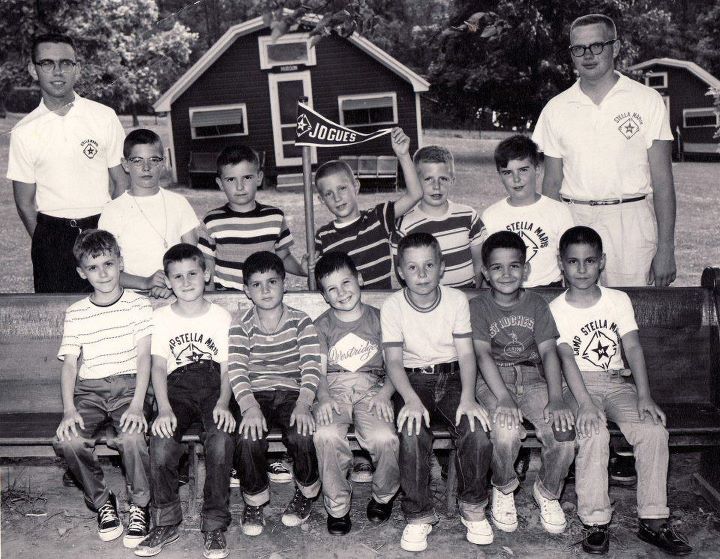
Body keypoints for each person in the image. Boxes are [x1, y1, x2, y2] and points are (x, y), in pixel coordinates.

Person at [549, 226, 692, 556]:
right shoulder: (556, 309)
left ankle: (653, 520)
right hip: (577, 385)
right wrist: (585, 404)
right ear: (561, 263)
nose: (581, 269)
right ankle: (595, 521)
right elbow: (566, 358)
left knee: (653, 430)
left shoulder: (617, 300)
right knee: (593, 432)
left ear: (602, 261)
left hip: (616, 384)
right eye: (573, 261)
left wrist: (644, 394)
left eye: (589, 261)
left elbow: (633, 347)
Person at [533, 13, 676, 289]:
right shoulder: (555, 108)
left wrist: (666, 248)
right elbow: (551, 184)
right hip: (574, 221)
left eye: (597, 45)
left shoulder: (647, 100)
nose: (587, 55)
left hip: (630, 223)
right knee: (577, 310)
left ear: (616, 47)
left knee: (633, 309)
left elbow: (663, 182)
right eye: (579, 48)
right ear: (571, 54)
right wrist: (549, 245)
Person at [381, 232, 493, 552]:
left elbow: (467, 353)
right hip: (413, 380)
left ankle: (473, 507)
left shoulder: (456, 300)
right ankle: (418, 514)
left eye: (429, 265)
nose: (422, 275)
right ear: (400, 271)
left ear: (442, 267)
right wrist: (410, 399)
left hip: (453, 377)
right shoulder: (393, 306)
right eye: (412, 267)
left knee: (476, 429)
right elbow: (393, 361)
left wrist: (468, 397)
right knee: (411, 431)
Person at [471, 231, 580, 535]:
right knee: (505, 432)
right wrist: (503, 397)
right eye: (497, 267)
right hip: (494, 380)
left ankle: (547, 492)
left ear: (526, 269)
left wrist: (556, 398)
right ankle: (504, 487)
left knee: (563, 434)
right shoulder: (478, 307)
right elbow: (482, 354)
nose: (506, 274)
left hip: (533, 379)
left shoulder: (536, 304)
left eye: (514, 266)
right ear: (485, 272)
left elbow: (548, 352)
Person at [134, 244, 235, 559]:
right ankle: (166, 521)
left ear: (207, 274)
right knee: (161, 442)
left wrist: (223, 403)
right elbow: (158, 366)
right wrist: (163, 408)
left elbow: (229, 367)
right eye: (177, 276)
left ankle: (214, 523)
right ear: (167, 280)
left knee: (220, 440)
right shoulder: (161, 317)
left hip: (213, 385)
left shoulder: (220, 316)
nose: (187, 281)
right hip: (175, 388)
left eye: (193, 273)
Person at [7, 33, 129, 293]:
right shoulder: (23, 130)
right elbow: (24, 202)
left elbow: (121, 182)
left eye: (65, 63)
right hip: (51, 236)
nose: (58, 71)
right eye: (47, 63)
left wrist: (109, 232)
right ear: (33, 70)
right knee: (54, 313)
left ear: (77, 69)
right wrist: (46, 240)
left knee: (108, 309)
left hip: (100, 227)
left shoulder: (103, 117)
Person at [53, 229, 151, 548]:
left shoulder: (139, 305)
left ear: (120, 262)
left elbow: (145, 357)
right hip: (90, 391)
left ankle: (140, 505)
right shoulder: (77, 313)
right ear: (82, 273)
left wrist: (138, 404)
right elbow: (70, 364)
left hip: (130, 387)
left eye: (108, 263)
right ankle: (102, 501)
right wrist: (69, 409)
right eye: (93, 267)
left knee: (132, 437)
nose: (103, 273)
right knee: (68, 440)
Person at [228, 251, 322, 537]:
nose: (265, 290)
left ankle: (306, 491)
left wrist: (304, 404)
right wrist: (249, 407)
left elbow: (311, 366)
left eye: (272, 282)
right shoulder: (241, 324)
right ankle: (255, 499)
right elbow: (237, 370)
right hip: (256, 394)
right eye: (256, 284)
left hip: (293, 393)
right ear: (246, 290)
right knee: (248, 436)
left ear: (285, 284)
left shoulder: (300, 321)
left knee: (301, 433)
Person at [312, 252, 400, 535]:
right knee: (326, 435)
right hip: (333, 387)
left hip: (372, 387)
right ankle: (337, 506)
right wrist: (323, 397)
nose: (341, 293)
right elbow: (317, 370)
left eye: (346, 283)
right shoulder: (322, 325)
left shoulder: (380, 319)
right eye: (332, 289)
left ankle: (383, 496)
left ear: (359, 279)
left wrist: (386, 393)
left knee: (384, 437)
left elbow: (395, 364)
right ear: (324, 296)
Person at [313, 127, 422, 289]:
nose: (337, 198)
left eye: (342, 188)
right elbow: (319, 284)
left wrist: (403, 154)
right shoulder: (323, 237)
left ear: (356, 186)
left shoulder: (379, 217)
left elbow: (415, 194)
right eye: (329, 194)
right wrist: (309, 270)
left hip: (381, 302)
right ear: (321, 200)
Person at [99, 129, 199, 298]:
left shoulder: (179, 203)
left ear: (163, 162)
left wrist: (171, 284)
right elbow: (105, 270)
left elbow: (194, 258)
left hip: (176, 294)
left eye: (154, 160)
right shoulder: (112, 211)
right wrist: (146, 282)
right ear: (125, 164)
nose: (146, 168)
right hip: (130, 298)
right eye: (137, 161)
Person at [199, 145, 307, 291]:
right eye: (231, 179)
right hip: (226, 296)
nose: (240, 187)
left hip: (266, 294)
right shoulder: (212, 221)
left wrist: (302, 270)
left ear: (259, 178)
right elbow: (208, 266)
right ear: (220, 184)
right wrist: (212, 299)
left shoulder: (274, 217)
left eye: (247, 177)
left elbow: (284, 257)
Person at [482, 136, 574, 287]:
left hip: (549, 290)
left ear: (537, 169)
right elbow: (488, 267)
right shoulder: (490, 216)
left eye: (523, 170)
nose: (516, 179)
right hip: (506, 290)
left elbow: (570, 263)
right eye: (507, 172)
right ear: (500, 176)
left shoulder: (558, 211)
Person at [392, 145, 485, 288]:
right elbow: (402, 273)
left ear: (452, 180)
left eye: (443, 179)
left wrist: (474, 293)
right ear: (415, 181)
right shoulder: (404, 224)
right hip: (426, 299)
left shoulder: (468, 216)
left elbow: (479, 263)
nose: (436, 186)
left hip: (467, 296)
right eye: (428, 179)